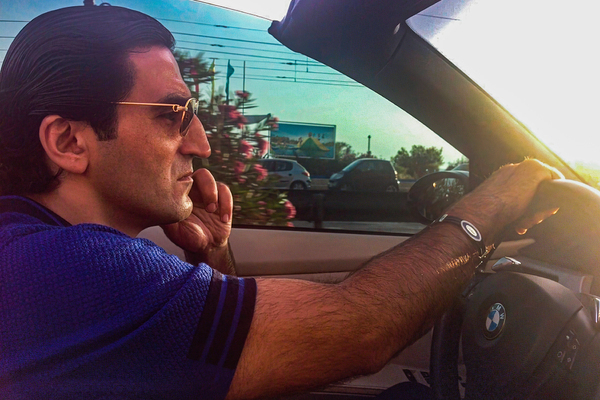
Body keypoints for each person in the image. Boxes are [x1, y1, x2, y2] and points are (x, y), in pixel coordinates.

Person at [0, 5, 560, 400]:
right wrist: (488, 210)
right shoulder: (62, 269)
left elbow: (220, 365)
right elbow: (359, 330)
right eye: (173, 115)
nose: (201, 142)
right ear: (69, 141)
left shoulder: (38, 251)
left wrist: (212, 255)